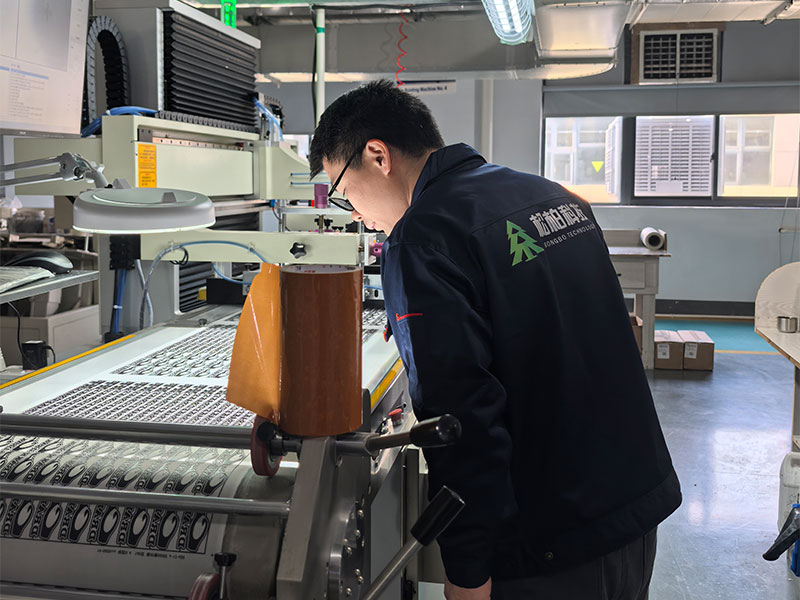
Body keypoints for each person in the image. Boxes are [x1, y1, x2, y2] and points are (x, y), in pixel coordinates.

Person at [309, 80, 681, 600]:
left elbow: (461, 420)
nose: (352, 212)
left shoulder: (422, 237)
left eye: (343, 190)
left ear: (378, 156)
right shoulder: (549, 194)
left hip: (552, 542)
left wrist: (467, 569)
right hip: (633, 504)